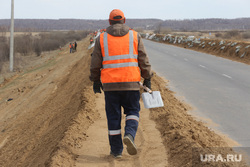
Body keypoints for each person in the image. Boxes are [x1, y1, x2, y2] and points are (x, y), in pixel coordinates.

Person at [89, 9, 152, 158]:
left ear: (109, 22)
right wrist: (147, 78)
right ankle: (129, 134)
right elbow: (143, 59)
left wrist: (95, 80)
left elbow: (95, 63)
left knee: (113, 118)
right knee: (133, 111)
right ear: (124, 20)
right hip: (131, 84)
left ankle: (116, 151)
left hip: (110, 86)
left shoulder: (102, 38)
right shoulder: (135, 36)